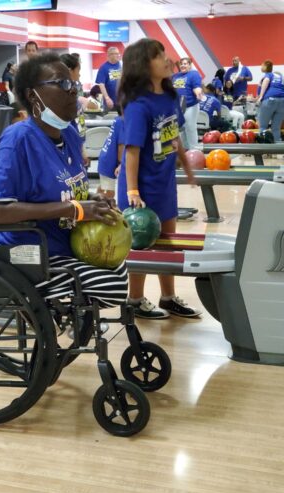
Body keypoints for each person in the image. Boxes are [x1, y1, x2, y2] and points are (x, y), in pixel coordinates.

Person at [0, 53, 128, 308]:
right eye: (62, 84)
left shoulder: (70, 134)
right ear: (32, 96)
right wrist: (71, 208)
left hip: (64, 246)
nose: (73, 91)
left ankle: (67, 314)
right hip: (29, 253)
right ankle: (52, 309)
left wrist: (92, 201)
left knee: (120, 271)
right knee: (113, 287)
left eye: (73, 83)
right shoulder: (18, 139)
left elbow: (69, 190)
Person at [117, 38, 200, 319]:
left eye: (165, 53)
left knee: (168, 241)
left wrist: (187, 167)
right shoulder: (139, 106)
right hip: (139, 188)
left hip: (163, 183)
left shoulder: (169, 96)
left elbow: (175, 135)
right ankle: (135, 300)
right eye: (158, 55)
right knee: (140, 243)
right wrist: (132, 190)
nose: (167, 58)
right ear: (143, 65)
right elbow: (132, 151)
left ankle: (167, 297)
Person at [59, 53, 89, 166]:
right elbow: (77, 124)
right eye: (78, 70)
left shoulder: (69, 92)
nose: (79, 74)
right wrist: (82, 150)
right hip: (70, 147)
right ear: (70, 71)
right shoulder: (67, 96)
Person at [172, 57, 203, 149]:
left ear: (190, 65)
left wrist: (198, 93)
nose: (183, 65)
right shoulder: (175, 76)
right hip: (178, 107)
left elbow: (196, 87)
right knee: (182, 128)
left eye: (185, 64)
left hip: (190, 105)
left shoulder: (193, 74)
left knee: (190, 127)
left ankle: (194, 149)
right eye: (181, 64)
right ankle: (185, 148)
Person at [97, 112, 124, 198]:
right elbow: (121, 146)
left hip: (105, 157)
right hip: (109, 161)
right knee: (109, 193)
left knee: (103, 187)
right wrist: (121, 164)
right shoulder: (124, 121)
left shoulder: (118, 119)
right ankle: (100, 208)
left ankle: (95, 201)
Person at [256, 60, 284, 142]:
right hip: (282, 101)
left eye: (261, 65)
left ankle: (263, 149)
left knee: (263, 126)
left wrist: (261, 97)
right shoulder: (280, 77)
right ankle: (276, 152)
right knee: (276, 128)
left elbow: (266, 82)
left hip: (270, 100)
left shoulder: (268, 75)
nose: (260, 67)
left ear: (265, 66)